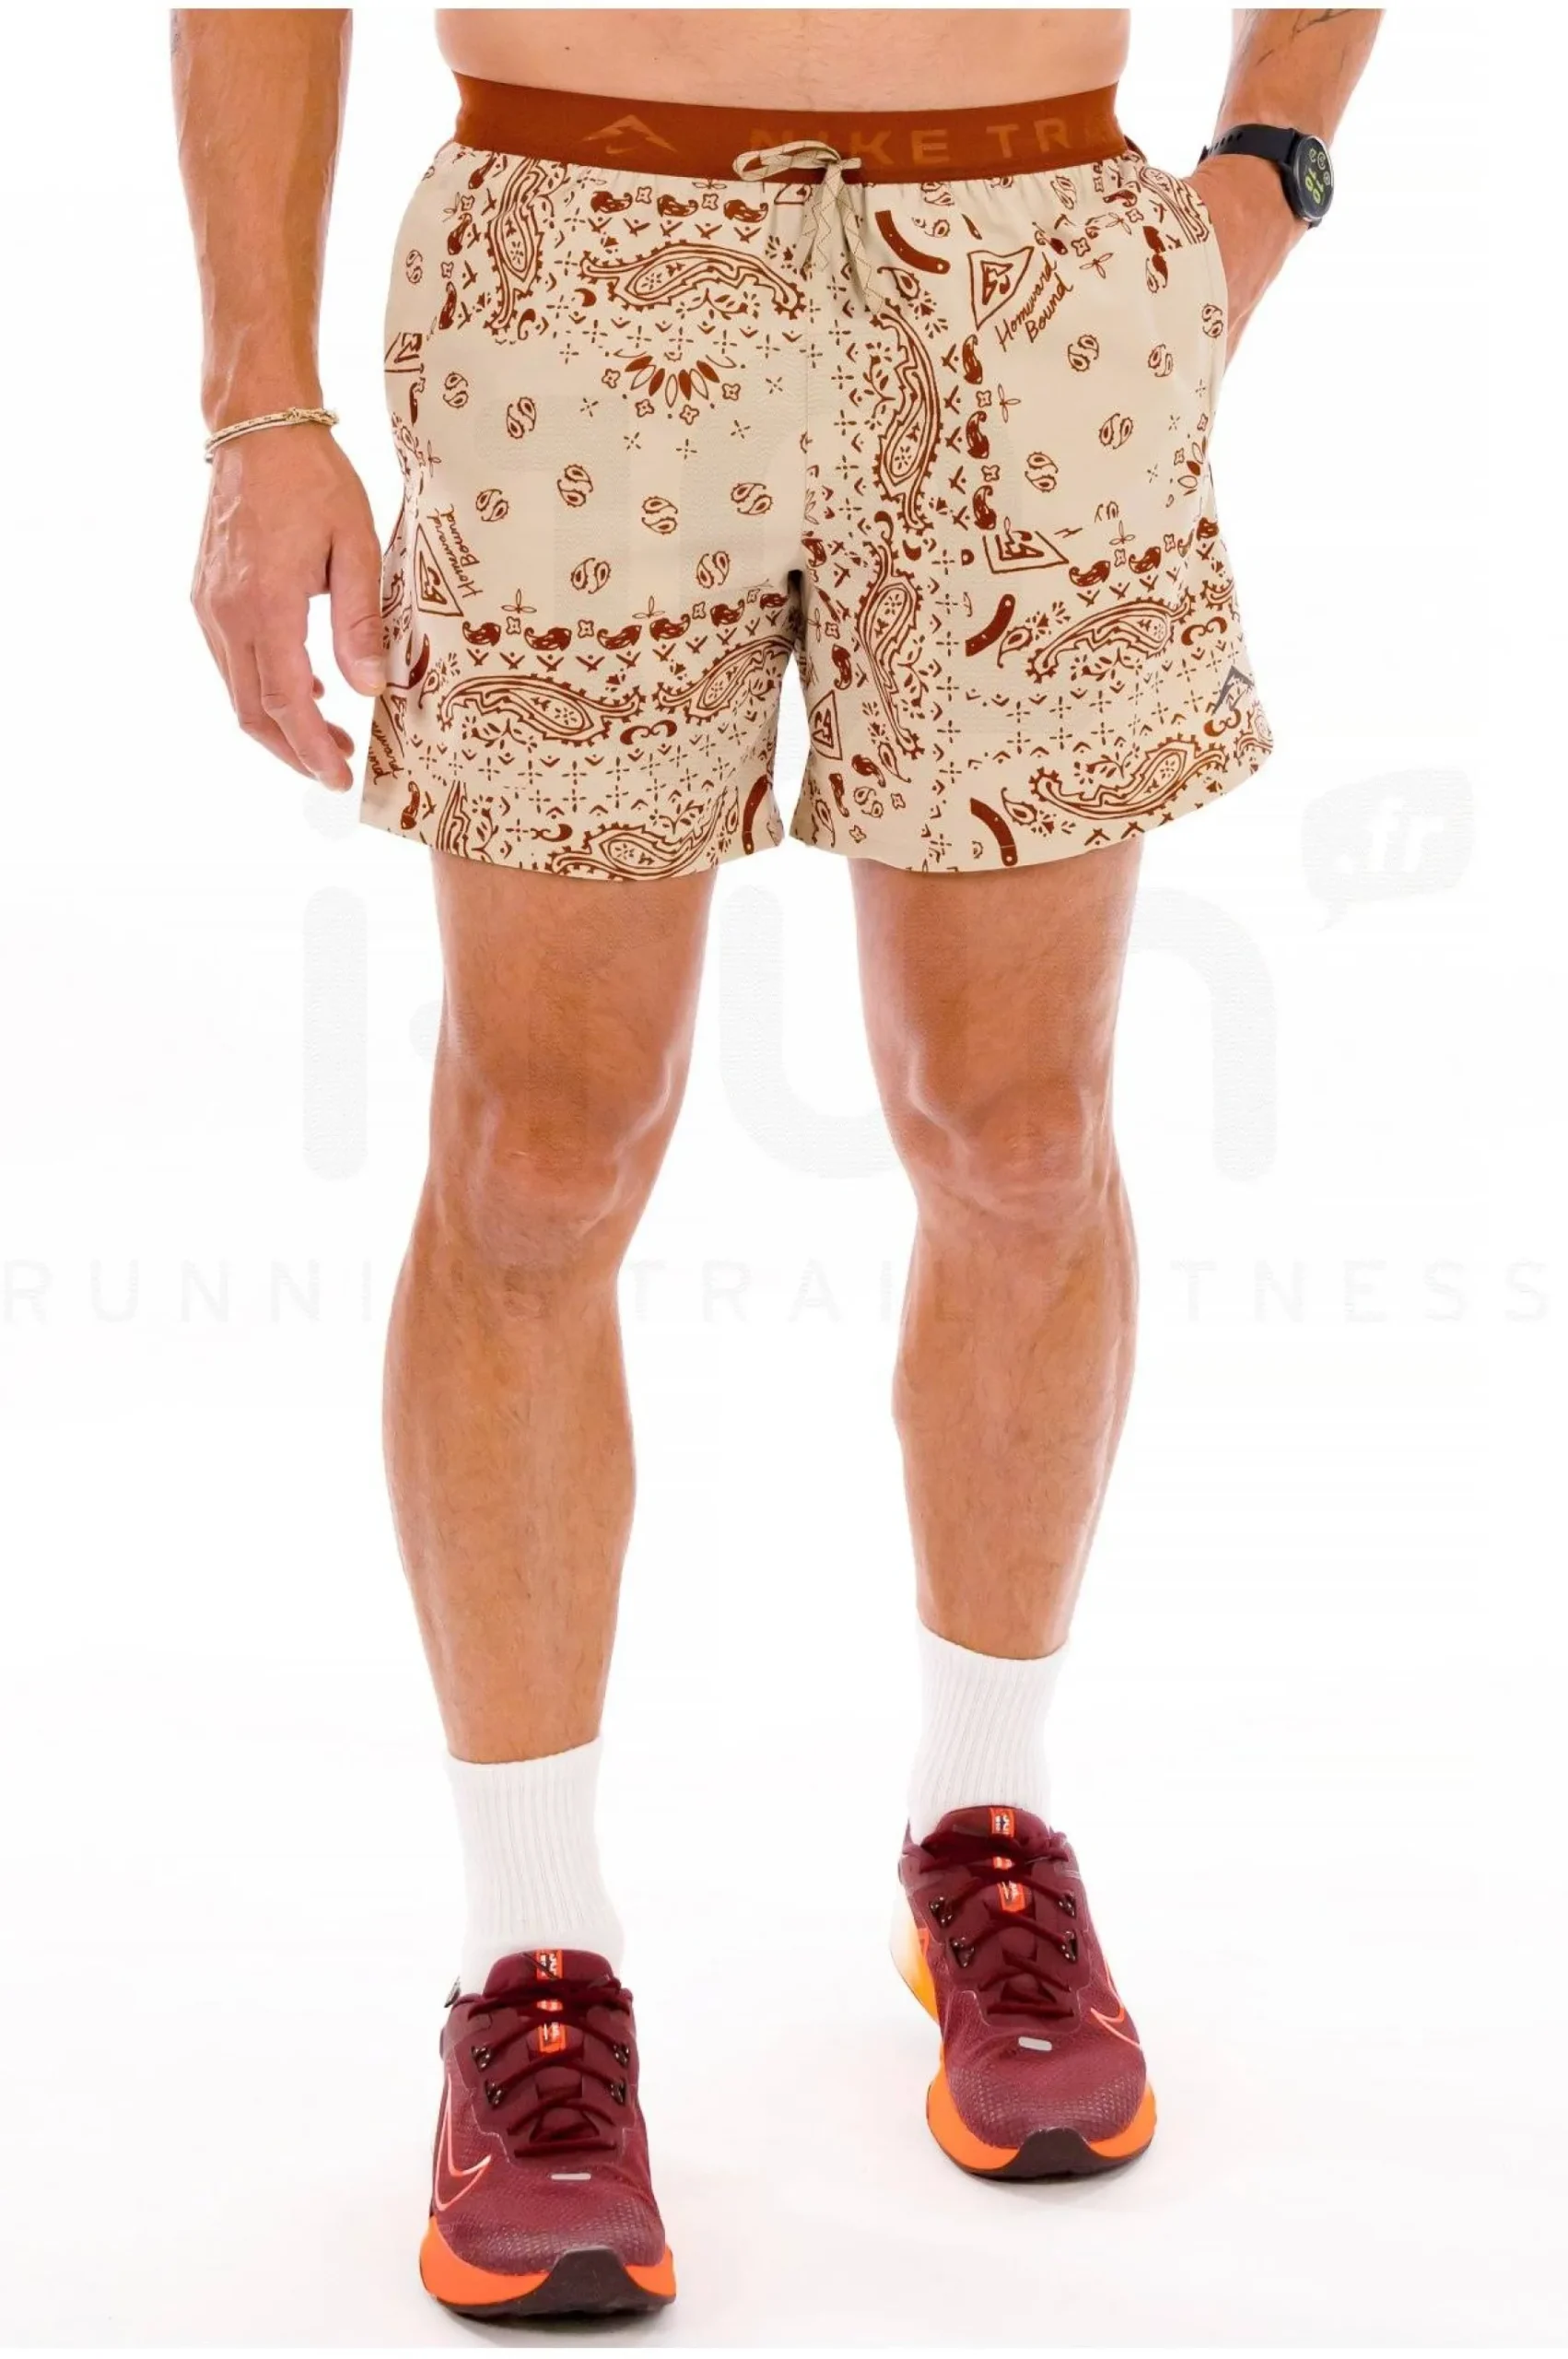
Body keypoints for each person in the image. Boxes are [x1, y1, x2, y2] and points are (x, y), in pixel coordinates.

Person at [175, 6, 1380, 2320]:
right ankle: (532, 1963)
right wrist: (257, 406)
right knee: (538, 1149)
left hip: (1037, 269)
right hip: (576, 263)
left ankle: (984, 1824)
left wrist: (1266, 168)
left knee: (1020, 1132)